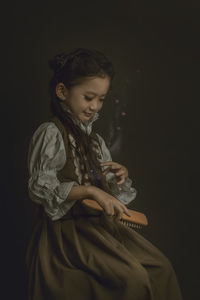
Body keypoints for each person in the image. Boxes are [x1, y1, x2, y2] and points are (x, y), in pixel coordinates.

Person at [26, 48, 183, 300]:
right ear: (62, 91)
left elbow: (108, 193)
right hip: (68, 234)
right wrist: (89, 190)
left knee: (160, 267)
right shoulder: (51, 134)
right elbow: (40, 188)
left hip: (100, 227)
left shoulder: (95, 141)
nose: (94, 106)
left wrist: (117, 177)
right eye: (89, 97)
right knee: (132, 278)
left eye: (101, 99)